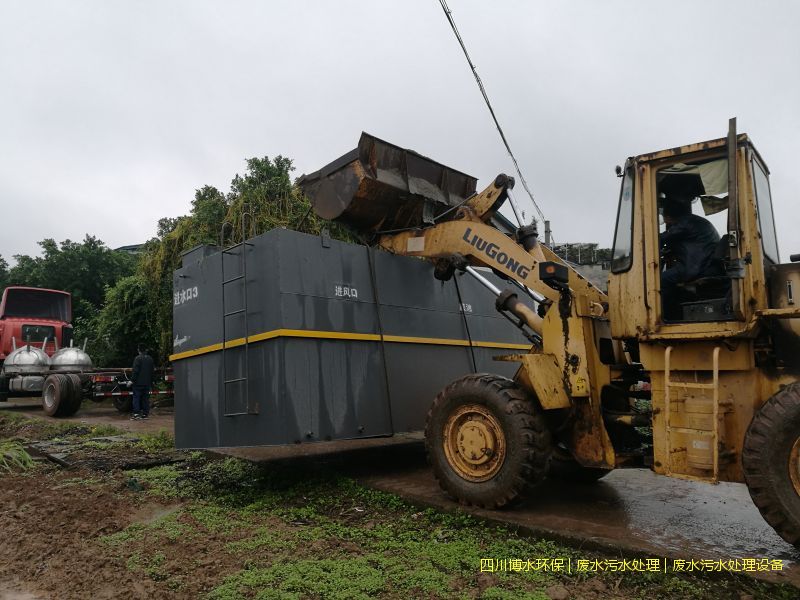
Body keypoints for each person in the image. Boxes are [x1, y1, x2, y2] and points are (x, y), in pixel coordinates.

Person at [659, 195, 720, 321]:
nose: (665, 222)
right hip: (705, 263)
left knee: (661, 280)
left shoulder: (685, 223)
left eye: (665, 218)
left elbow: (662, 238)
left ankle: (666, 318)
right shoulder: (693, 221)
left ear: (670, 216)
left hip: (697, 266)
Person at [131, 344, 155, 420]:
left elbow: (135, 371)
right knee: (145, 399)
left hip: (138, 383)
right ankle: (145, 414)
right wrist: (151, 382)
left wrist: (132, 381)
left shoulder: (137, 358)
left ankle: (136, 414)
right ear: (146, 350)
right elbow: (152, 372)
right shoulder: (150, 359)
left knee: (136, 398)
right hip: (147, 383)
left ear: (139, 350)